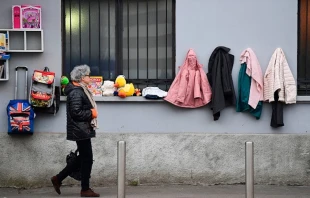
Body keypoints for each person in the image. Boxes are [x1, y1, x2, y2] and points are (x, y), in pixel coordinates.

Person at [51, 65, 100, 197]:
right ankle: (85, 189)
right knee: (87, 158)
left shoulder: (80, 89)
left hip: (82, 129)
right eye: (88, 75)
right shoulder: (76, 92)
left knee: (84, 158)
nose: (90, 77)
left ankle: (58, 178)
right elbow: (76, 112)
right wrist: (91, 113)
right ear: (81, 78)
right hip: (80, 129)